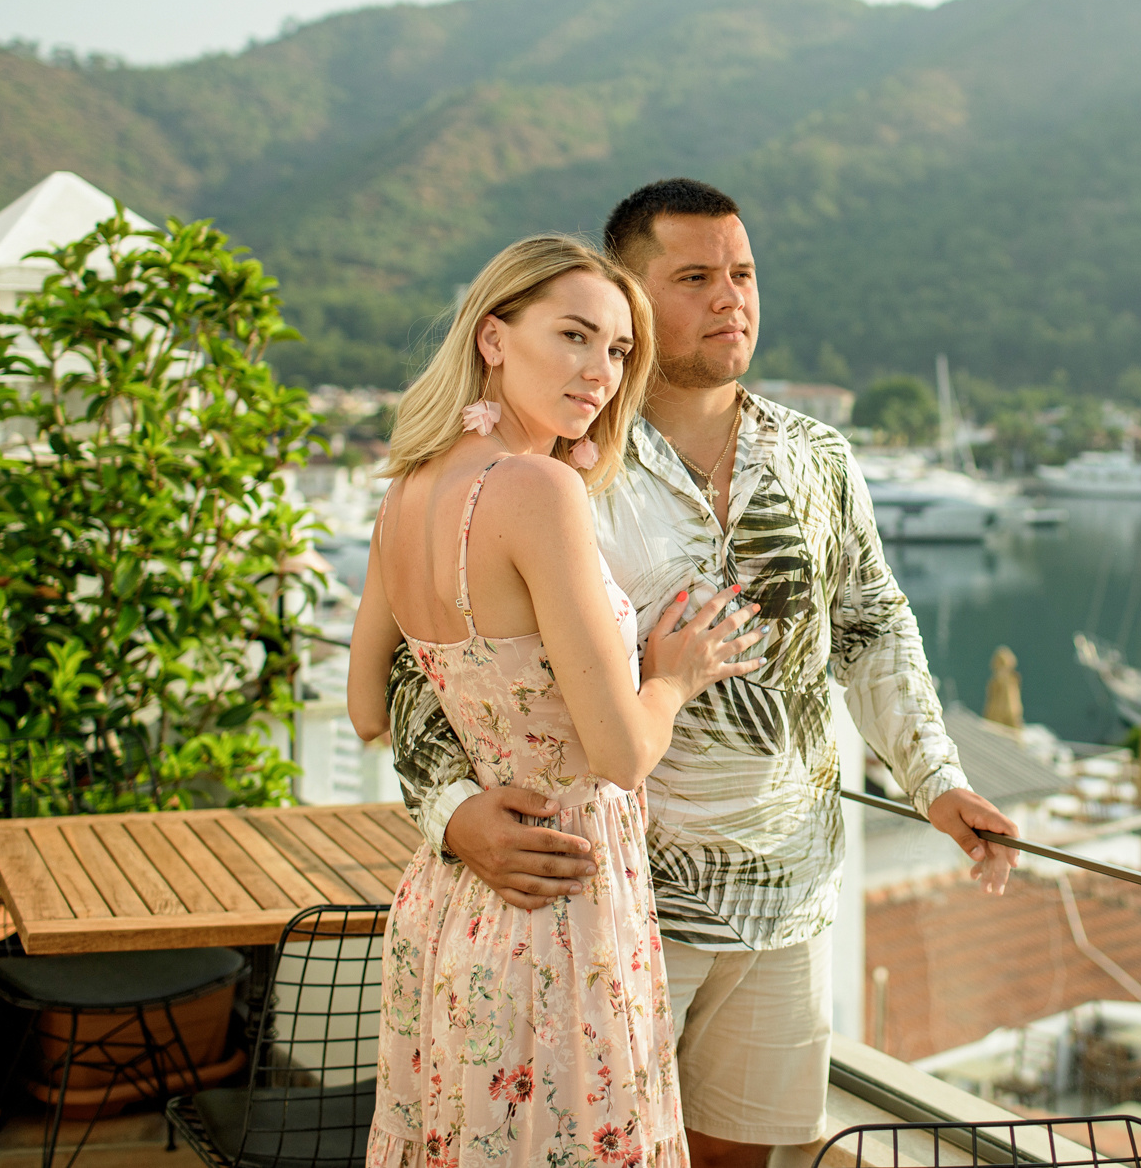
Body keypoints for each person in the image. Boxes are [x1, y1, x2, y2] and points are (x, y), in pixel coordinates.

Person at [388, 180, 1021, 1161]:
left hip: (788, 896)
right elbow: (424, 662)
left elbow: (869, 625)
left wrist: (936, 781)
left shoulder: (817, 456)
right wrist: (451, 811)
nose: (731, 299)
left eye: (743, 273)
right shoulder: (559, 458)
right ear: (626, 299)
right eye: (694, 278)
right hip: (609, 899)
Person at [349, 234, 764, 1168]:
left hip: (452, 904)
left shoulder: (408, 489)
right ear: (493, 337)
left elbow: (368, 707)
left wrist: (465, 794)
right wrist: (673, 674)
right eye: (575, 336)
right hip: (563, 902)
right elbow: (621, 753)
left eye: (619, 351)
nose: (601, 373)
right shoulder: (538, 488)